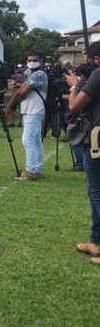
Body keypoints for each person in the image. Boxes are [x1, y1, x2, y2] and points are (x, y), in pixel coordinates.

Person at [66, 42, 100, 262]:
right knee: (93, 190)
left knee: (97, 192)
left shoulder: (98, 74)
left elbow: (74, 106)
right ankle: (96, 241)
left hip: (97, 139)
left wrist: (74, 85)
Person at [5, 51, 49, 180]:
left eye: (34, 60)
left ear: (40, 62)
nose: (31, 62)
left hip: (34, 111)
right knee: (35, 141)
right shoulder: (32, 74)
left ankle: (31, 170)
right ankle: (38, 169)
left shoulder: (38, 74)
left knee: (28, 140)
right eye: (29, 60)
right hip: (33, 111)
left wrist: (10, 106)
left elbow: (21, 92)